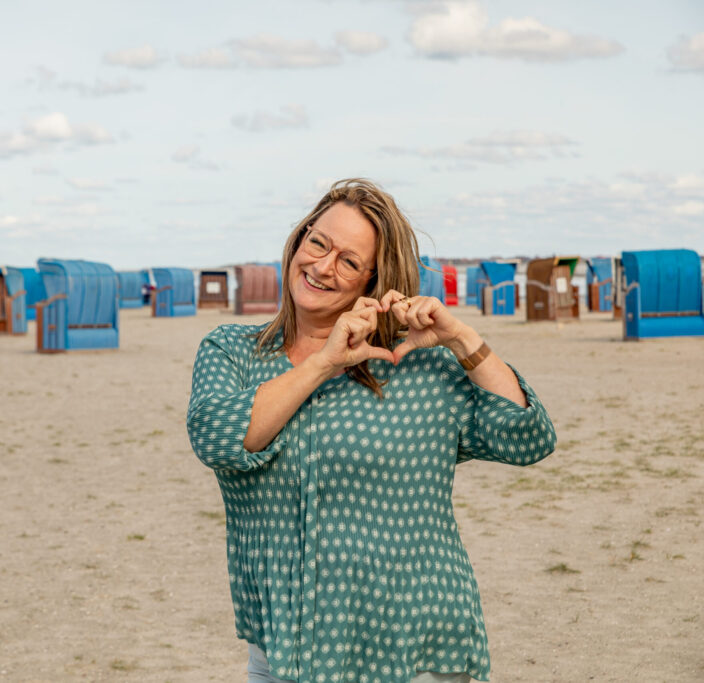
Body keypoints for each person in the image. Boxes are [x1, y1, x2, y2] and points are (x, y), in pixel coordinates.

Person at [186, 178, 556, 683]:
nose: (321, 267)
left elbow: (527, 437)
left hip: (417, 656)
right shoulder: (232, 351)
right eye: (317, 242)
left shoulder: (411, 365)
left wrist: (463, 338)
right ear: (298, 239)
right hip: (284, 657)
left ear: (371, 281)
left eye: (349, 261)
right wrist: (323, 362)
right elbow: (219, 437)